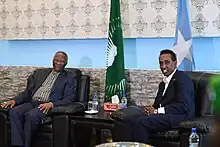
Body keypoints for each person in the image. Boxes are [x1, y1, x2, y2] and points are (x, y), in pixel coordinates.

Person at [115, 49, 195, 144]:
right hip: (165, 115)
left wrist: (157, 111)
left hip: (179, 116)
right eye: (161, 63)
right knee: (128, 120)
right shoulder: (163, 83)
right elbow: (157, 104)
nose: (163, 66)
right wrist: (151, 108)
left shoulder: (182, 78)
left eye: (167, 62)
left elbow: (183, 106)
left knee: (141, 122)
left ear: (175, 63)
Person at [0, 51, 77, 147]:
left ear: (66, 63)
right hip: (32, 101)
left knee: (31, 115)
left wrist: (51, 104)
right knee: (14, 112)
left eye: (61, 61)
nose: (58, 63)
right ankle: (18, 145)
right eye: (56, 60)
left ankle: (26, 145)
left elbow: (69, 98)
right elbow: (28, 92)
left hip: (46, 105)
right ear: (53, 60)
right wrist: (14, 100)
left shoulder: (69, 77)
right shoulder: (41, 73)